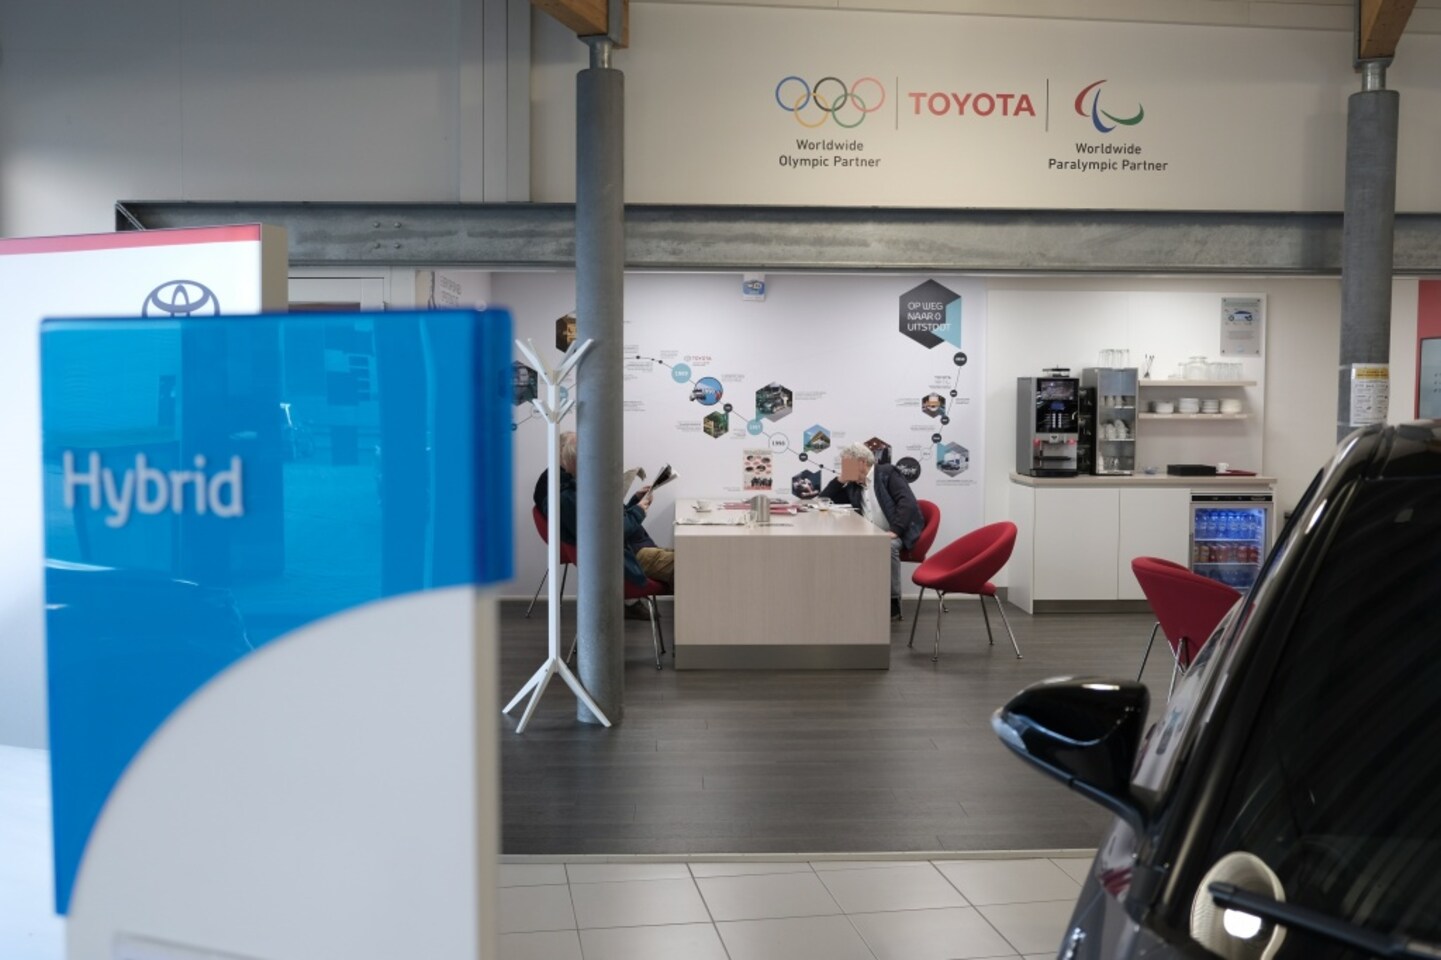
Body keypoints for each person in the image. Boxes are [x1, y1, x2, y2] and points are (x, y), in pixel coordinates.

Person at [534, 432, 674, 618]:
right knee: (692, 563)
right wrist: (639, 511)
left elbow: (608, 524)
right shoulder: (568, 497)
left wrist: (635, 502)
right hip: (629, 555)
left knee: (693, 556)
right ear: (568, 457)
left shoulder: (568, 488)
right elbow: (611, 533)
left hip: (630, 548)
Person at [819, 441, 924, 622]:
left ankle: (893, 603)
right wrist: (841, 479)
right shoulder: (853, 484)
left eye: (846, 465)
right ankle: (853, 598)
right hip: (869, 533)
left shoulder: (887, 473)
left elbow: (907, 502)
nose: (844, 469)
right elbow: (824, 499)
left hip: (897, 532)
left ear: (861, 462)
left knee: (887, 546)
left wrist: (895, 530)